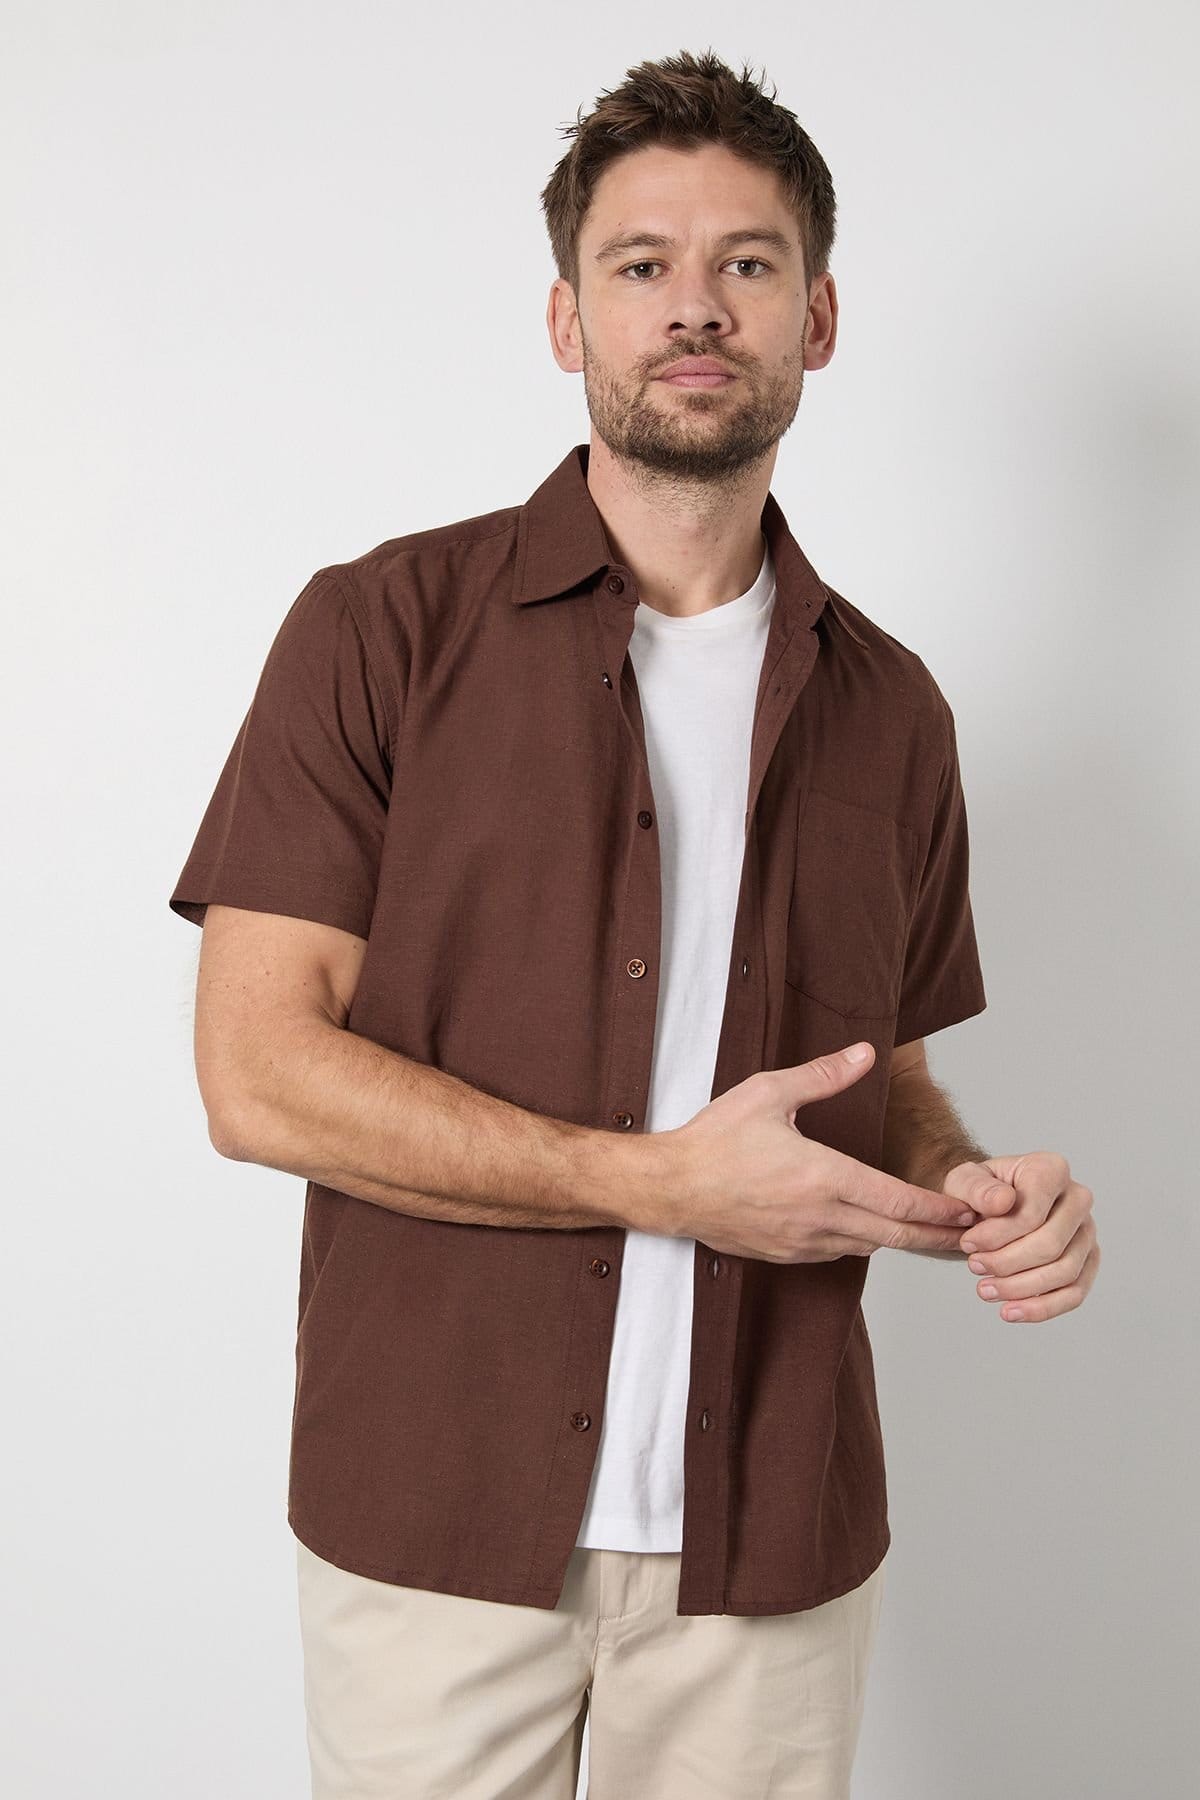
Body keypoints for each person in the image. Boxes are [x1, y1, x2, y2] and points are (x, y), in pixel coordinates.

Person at [168, 46, 1100, 1800]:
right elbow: (257, 1074)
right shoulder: (379, 632)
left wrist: (974, 1191)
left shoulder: (893, 709)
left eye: (747, 263)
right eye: (641, 264)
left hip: (771, 1535)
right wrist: (659, 1183)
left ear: (819, 317)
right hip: (437, 1520)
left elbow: (887, 1076)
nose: (695, 307)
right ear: (565, 317)